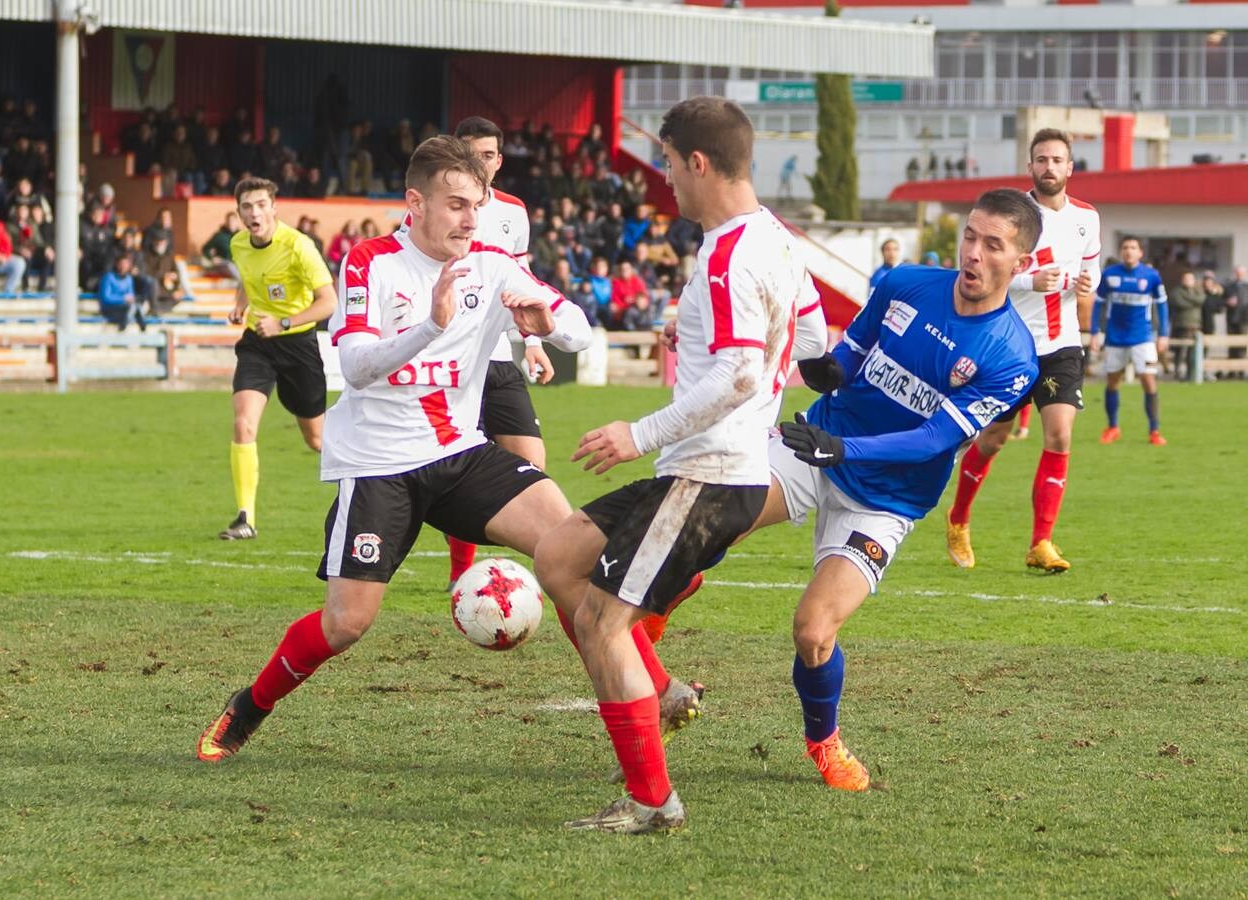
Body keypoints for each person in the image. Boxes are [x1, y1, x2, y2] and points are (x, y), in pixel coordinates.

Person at [195, 136, 592, 763]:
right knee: (345, 625)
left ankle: (651, 690)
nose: (470, 219)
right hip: (380, 466)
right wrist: (430, 327)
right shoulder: (370, 262)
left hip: (459, 451)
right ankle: (250, 705)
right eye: (457, 204)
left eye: (478, 205)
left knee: (571, 548)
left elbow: (581, 328)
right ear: (416, 202)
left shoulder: (491, 261)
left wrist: (547, 320)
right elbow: (354, 366)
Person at [532, 96, 829, 834]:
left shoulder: (731, 251)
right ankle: (660, 692)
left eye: (666, 161)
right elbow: (815, 340)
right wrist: (698, 331)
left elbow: (736, 375)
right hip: (709, 467)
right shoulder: (779, 241)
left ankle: (651, 802)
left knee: (603, 622)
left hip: (712, 472)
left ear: (698, 162)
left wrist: (639, 430)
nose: (664, 177)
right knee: (560, 557)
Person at [744, 189, 1040, 794]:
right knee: (718, 515)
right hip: (816, 446)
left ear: (1022, 264)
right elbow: (850, 357)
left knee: (813, 630)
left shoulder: (1012, 359)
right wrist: (829, 370)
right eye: (970, 236)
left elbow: (933, 438)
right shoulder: (903, 282)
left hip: (885, 500)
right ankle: (649, 636)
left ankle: (823, 742)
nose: (974, 254)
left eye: (994, 245)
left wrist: (843, 450)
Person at [946, 128, 1100, 573]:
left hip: (1061, 344)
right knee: (993, 439)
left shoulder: (1087, 218)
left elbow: (1091, 273)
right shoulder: (1012, 214)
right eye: (1041, 160)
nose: (1049, 167)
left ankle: (1042, 543)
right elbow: (978, 276)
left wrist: (1090, 287)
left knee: (1060, 435)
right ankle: (958, 518)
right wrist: (1029, 281)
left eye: (1057, 160)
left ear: (1070, 168)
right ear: (1030, 166)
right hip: (1011, 344)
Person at [420, 116, 561, 591]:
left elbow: (525, 284)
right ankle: (463, 571)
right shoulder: (436, 210)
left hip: (499, 355)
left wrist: (535, 344)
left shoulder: (513, 213)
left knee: (531, 462)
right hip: (454, 362)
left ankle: (541, 562)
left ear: (499, 161)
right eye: (468, 152)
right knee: (454, 467)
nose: (477, 162)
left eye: (486, 155)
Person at [219, 177, 338, 541]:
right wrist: (241, 305)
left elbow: (328, 302)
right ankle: (245, 518)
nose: (254, 213)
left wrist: (284, 321)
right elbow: (250, 279)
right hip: (258, 344)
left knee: (316, 439)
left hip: (298, 345)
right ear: (238, 213)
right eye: (246, 207)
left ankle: (367, 485)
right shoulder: (239, 244)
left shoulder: (299, 246)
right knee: (243, 424)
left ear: (274, 208)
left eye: (260, 205)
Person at [1091, 235, 1169, 445]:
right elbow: (1097, 303)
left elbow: (1162, 304)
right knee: (1113, 381)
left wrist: (1163, 334)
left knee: (1148, 381)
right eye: (1125, 247)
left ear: (1140, 253)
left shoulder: (1151, 276)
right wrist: (1095, 331)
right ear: (1121, 252)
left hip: (1143, 338)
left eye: (1133, 248)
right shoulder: (1108, 275)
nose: (1128, 251)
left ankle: (1154, 431)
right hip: (1115, 338)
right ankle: (1113, 427)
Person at [1168, 270, 1204, 379]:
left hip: (1195, 325)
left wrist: (1189, 299)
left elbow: (1201, 299)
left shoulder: (1197, 291)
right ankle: (1177, 372)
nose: (1188, 281)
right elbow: (1180, 303)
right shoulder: (1177, 291)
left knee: (1192, 352)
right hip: (1181, 325)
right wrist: (1194, 303)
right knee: (1179, 350)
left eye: (1190, 279)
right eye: (1186, 279)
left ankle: (1191, 373)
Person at [97, 254, 146, 331]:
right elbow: (106, 298)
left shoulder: (129, 279)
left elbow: (130, 295)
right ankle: (123, 328)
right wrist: (123, 298)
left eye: (126, 265)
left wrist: (131, 299)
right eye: (121, 264)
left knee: (137, 306)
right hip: (109, 309)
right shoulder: (108, 277)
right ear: (117, 265)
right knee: (131, 308)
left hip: (125, 308)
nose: (123, 267)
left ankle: (143, 329)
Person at [1222, 266, 1248, 367]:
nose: (1239, 275)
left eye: (1241, 273)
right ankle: (1231, 370)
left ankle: (1241, 369)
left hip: (1244, 320)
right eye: (1238, 273)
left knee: (1242, 345)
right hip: (1231, 319)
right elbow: (1221, 302)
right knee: (1231, 344)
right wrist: (1227, 302)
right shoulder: (1229, 287)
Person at [0, 215, 26, 294]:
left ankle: (8, 293)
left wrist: (5, 255)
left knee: (19, 263)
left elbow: (7, 244)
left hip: (1, 259)